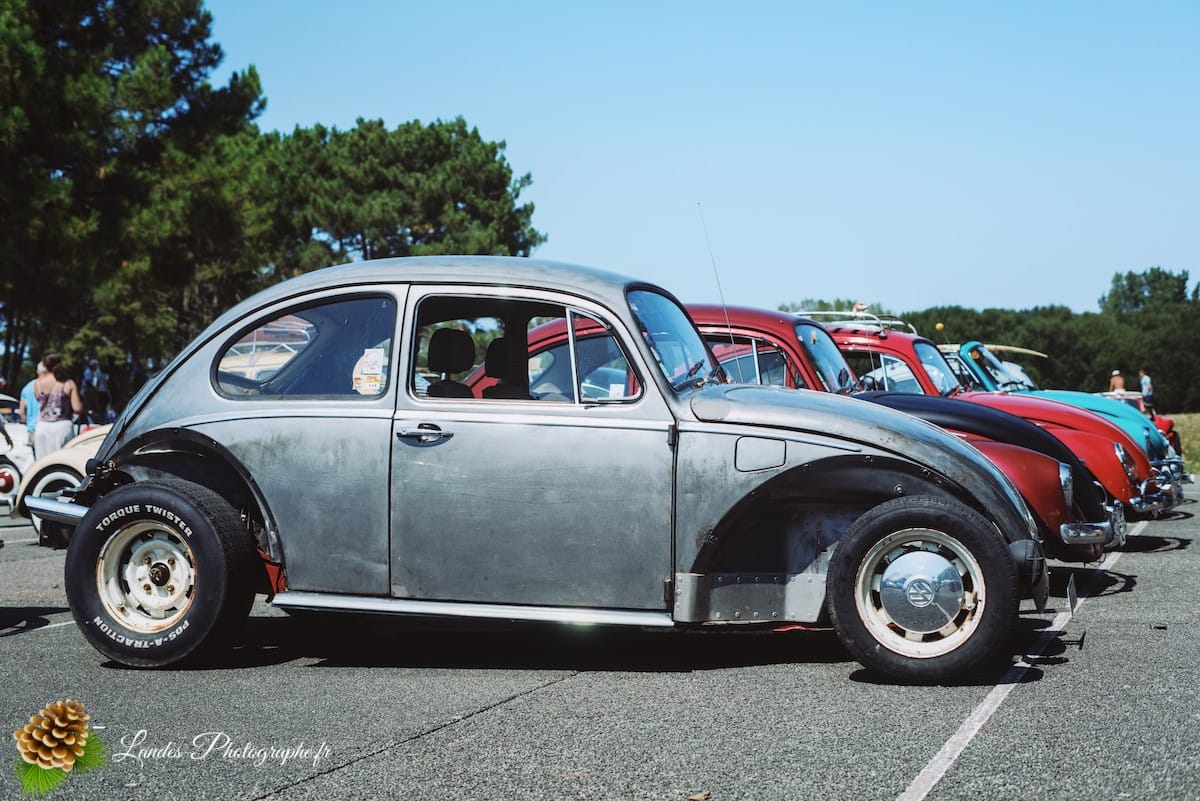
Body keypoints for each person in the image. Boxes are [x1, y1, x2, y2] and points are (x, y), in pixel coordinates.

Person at [33, 353, 84, 457]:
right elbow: (77, 408)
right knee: (63, 460)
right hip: (62, 427)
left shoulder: (37, 383)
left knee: (42, 463)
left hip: (42, 427)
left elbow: (39, 400)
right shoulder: (68, 383)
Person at [18, 362, 46, 451]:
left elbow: (21, 412)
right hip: (46, 426)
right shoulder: (50, 385)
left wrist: (28, 421)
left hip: (32, 427)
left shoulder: (26, 388)